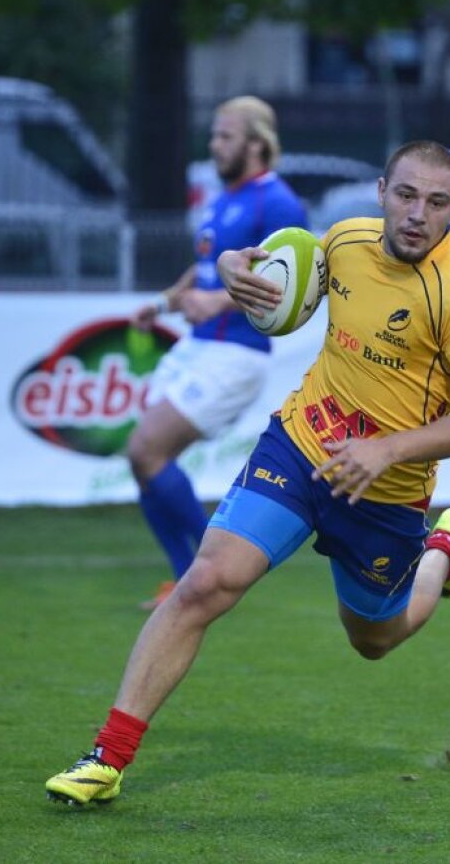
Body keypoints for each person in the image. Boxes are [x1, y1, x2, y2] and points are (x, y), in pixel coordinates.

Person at [46, 141, 450, 806]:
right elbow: (270, 271)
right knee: (205, 583)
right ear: (382, 190)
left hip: (385, 493)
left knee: (374, 640)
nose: (417, 214)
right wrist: (235, 266)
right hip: (300, 447)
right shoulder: (347, 239)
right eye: (407, 195)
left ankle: (444, 548)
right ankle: (107, 759)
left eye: (436, 203)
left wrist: (387, 451)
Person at [128, 96, 309, 610]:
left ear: (256, 143)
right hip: (199, 346)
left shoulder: (276, 203)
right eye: (214, 135)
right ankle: (185, 579)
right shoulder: (220, 197)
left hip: (237, 352)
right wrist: (165, 301)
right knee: (146, 461)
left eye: (225, 136)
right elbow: (205, 267)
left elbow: (288, 285)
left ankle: (219, 566)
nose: (214, 145)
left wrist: (219, 299)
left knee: (146, 448)